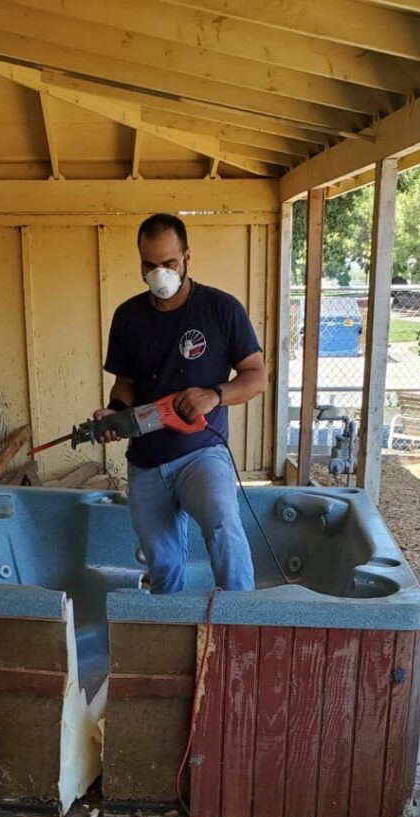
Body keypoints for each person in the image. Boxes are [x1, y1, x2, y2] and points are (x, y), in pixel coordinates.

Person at [94, 213, 267, 594]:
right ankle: (169, 633)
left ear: (187, 256)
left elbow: (256, 376)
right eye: (149, 265)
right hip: (146, 460)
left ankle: (240, 621)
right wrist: (115, 413)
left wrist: (215, 395)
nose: (160, 274)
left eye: (169, 263)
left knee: (222, 521)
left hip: (200, 452)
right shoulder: (128, 317)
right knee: (164, 565)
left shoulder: (221, 309)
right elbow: (125, 382)